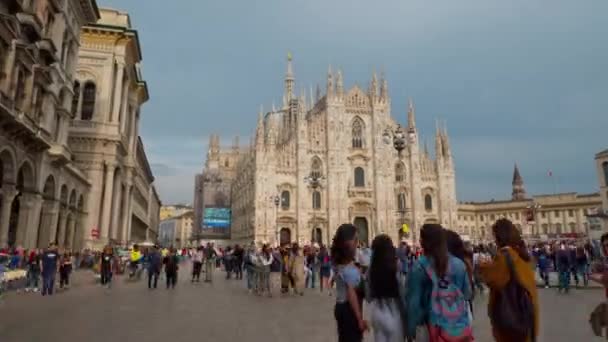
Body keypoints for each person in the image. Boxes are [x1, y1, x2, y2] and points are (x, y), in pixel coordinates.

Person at [480, 219, 539, 342]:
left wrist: (483, 266)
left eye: (494, 235)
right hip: (528, 315)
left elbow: (493, 279)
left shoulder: (505, 255)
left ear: (499, 236)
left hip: (514, 320)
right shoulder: (521, 253)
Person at [331, 223, 368, 342]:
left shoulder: (340, 263)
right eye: (355, 239)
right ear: (348, 243)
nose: (357, 242)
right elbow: (351, 294)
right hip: (349, 310)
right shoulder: (349, 268)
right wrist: (359, 319)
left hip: (340, 307)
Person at [367, 234, 405, 342]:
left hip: (377, 312)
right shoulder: (396, 266)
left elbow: (368, 295)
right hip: (393, 311)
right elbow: (401, 293)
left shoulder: (371, 269)